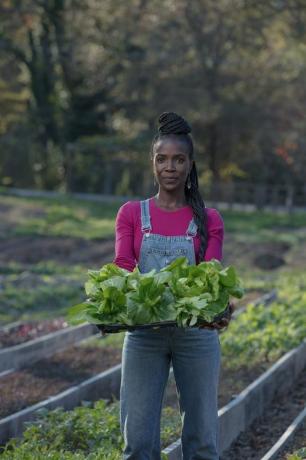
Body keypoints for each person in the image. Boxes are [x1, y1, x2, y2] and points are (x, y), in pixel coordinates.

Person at [113, 112, 232, 460]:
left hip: (195, 335)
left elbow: (212, 275)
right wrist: (112, 298)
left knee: (202, 442)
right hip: (143, 334)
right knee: (137, 442)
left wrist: (221, 304)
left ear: (190, 164)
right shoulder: (132, 214)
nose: (170, 167)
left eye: (179, 159)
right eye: (162, 159)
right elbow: (122, 267)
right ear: (152, 162)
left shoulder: (208, 220)